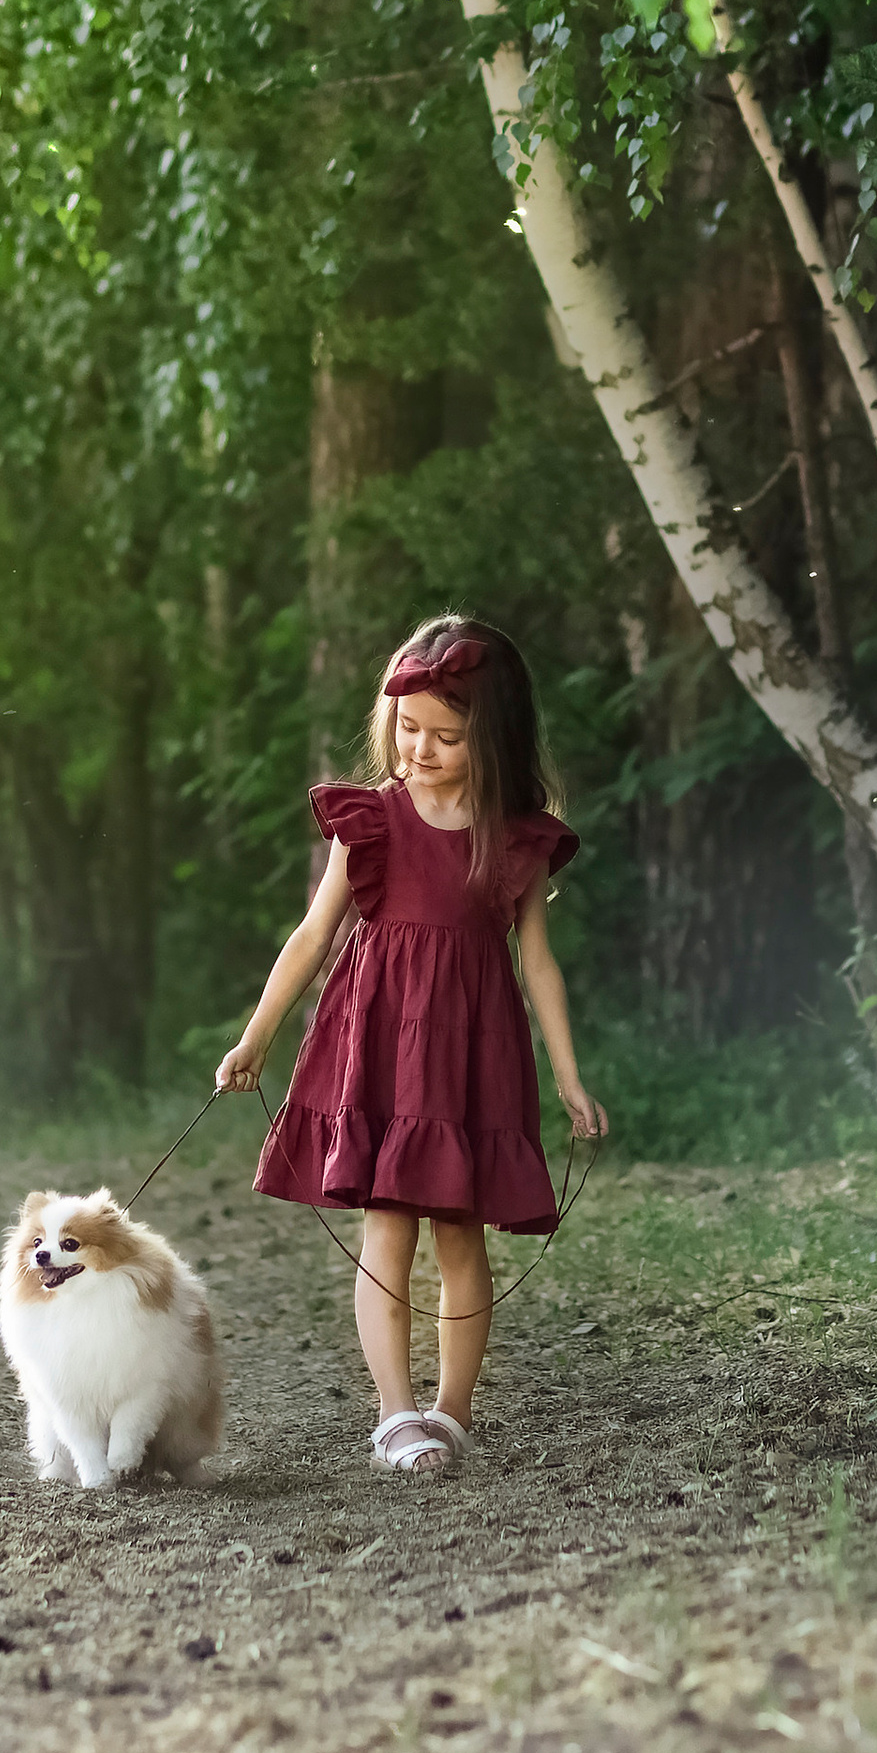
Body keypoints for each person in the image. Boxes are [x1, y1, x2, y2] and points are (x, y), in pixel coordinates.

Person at [215, 614, 607, 1475]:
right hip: (385, 1045)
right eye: (407, 728)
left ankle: (452, 1414)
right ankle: (396, 1416)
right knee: (387, 1226)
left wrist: (571, 1080)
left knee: (461, 1236)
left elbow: (538, 964)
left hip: (472, 1055)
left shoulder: (516, 841)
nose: (419, 748)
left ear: (493, 738)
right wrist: (255, 1039)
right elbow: (312, 937)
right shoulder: (374, 823)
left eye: (446, 736)